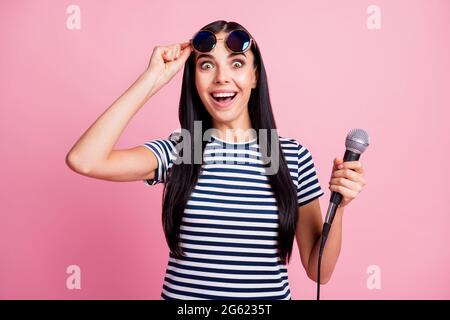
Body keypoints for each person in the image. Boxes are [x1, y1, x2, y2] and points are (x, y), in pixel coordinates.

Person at [66, 20, 367, 300]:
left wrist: (339, 206)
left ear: (254, 75)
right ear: (193, 78)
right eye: (207, 65)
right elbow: (85, 160)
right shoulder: (182, 149)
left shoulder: (291, 155)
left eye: (236, 64)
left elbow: (319, 272)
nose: (222, 77)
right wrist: (152, 79)